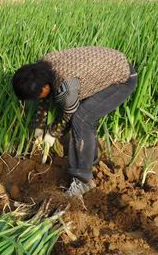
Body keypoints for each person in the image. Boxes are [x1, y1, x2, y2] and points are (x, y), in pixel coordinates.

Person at [12, 46, 138, 197]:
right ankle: (91, 160)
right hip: (108, 64)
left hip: (122, 79)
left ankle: (83, 180)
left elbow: (68, 115)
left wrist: (53, 133)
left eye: (35, 96)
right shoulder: (42, 66)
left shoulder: (66, 89)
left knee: (82, 119)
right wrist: (39, 125)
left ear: (45, 87)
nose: (36, 100)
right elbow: (44, 96)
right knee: (85, 116)